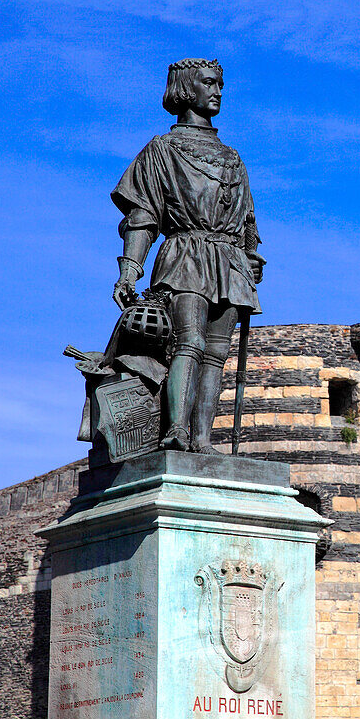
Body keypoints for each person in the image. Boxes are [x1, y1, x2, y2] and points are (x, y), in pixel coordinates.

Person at [110, 58, 264, 453]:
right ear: (186, 88)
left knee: (216, 354)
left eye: (220, 85)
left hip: (229, 263)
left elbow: (247, 219)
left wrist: (251, 257)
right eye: (209, 83)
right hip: (185, 255)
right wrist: (130, 270)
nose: (218, 91)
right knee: (188, 342)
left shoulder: (233, 158)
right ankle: (175, 430)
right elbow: (143, 215)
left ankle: (202, 439)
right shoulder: (162, 150)